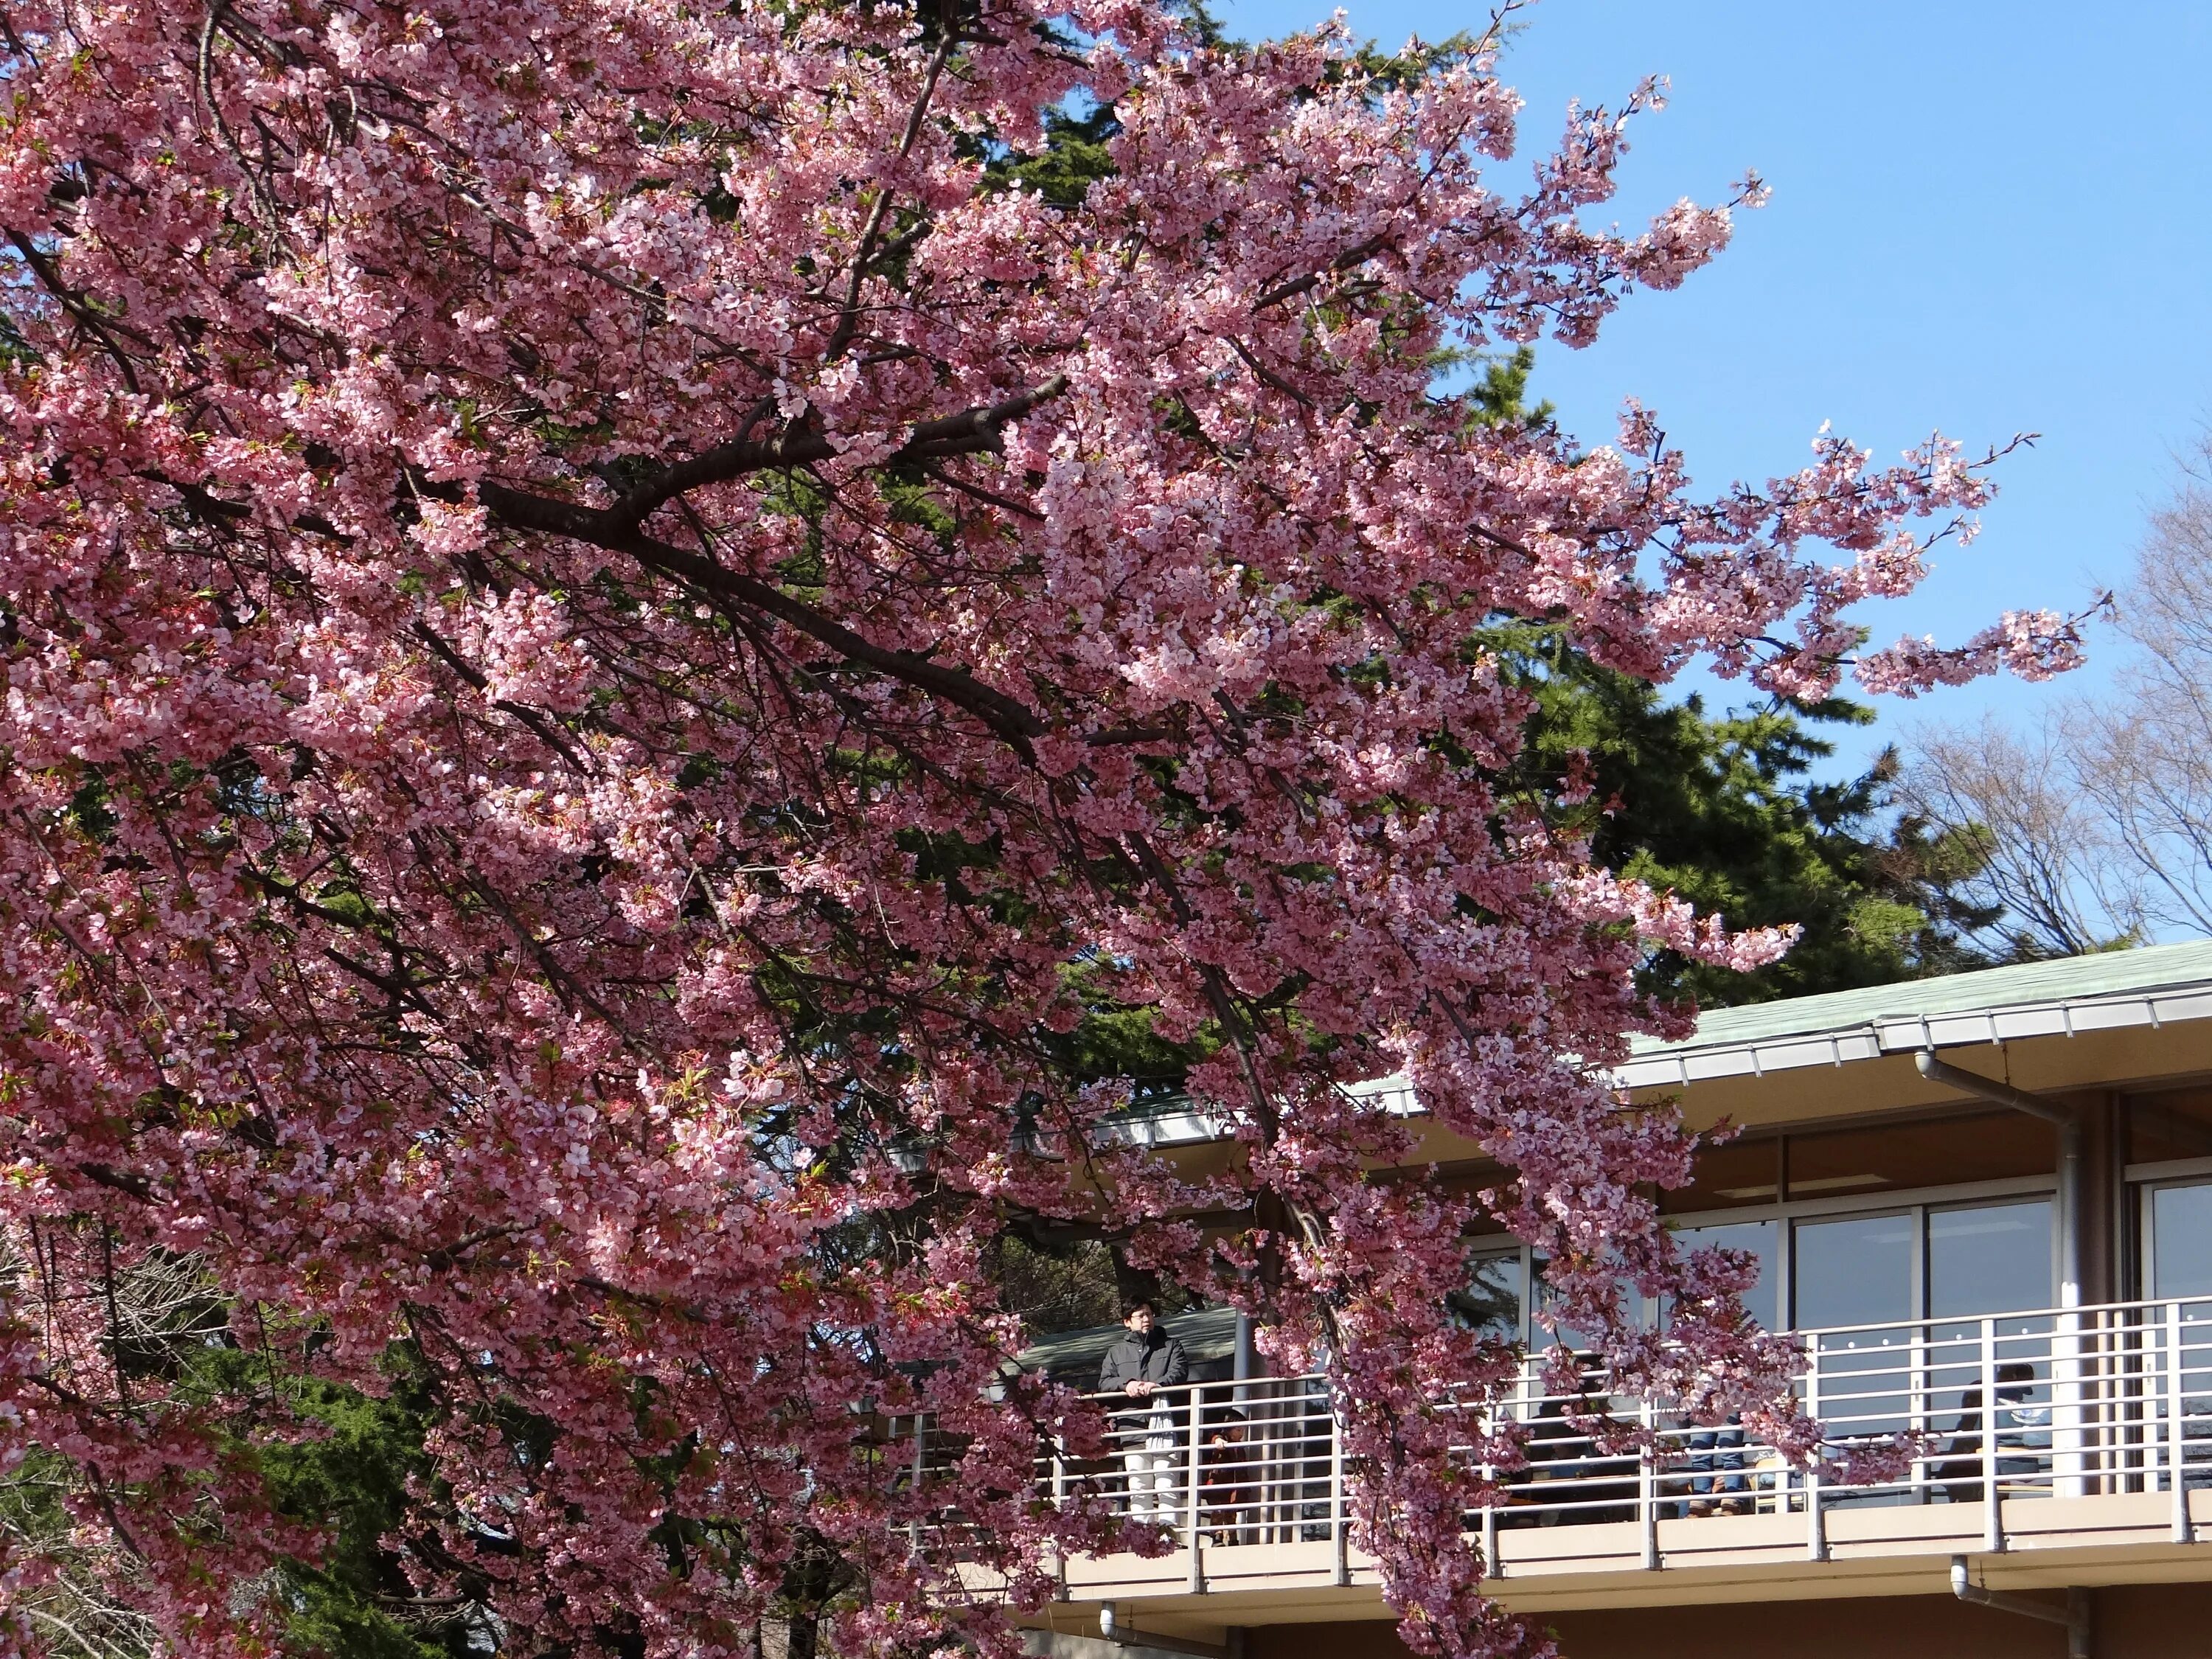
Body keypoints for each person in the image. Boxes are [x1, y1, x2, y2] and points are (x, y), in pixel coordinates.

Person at [1098, 1300, 1189, 1527]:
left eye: (1149, 1314)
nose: (1146, 1319)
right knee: (1139, 1485)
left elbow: (1179, 1372)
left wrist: (1157, 1384)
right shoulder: (1117, 1352)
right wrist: (1125, 1385)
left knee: (1167, 1483)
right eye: (1140, 1315)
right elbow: (1105, 1382)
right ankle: (1142, 1534)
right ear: (1127, 1322)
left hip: (1166, 1426)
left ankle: (1169, 1534)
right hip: (1132, 1427)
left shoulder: (1171, 1345)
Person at [1937, 1362, 2045, 1505]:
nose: (2019, 1397)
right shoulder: (1998, 1406)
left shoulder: (2002, 1407)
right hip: (1981, 1474)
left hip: (1990, 1472)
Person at [1200, 1405, 1258, 1545]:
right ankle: (1217, 1537)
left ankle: (1233, 1539)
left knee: (1231, 1514)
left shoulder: (1239, 1447)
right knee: (1218, 1511)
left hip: (1234, 1486)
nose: (1241, 1434)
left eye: (1243, 1430)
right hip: (1220, 1484)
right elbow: (1216, 1439)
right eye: (1238, 1430)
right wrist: (1218, 1440)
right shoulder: (1224, 1440)